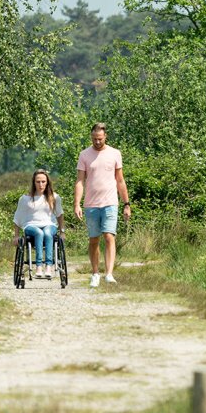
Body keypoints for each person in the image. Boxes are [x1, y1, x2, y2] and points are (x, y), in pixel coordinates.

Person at [74, 122, 131, 288]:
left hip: (110, 202)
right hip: (91, 204)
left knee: (109, 236)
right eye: (94, 139)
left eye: (99, 139)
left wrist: (126, 203)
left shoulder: (115, 153)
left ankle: (109, 274)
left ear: (105, 136)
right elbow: (80, 181)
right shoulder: (84, 155)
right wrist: (77, 204)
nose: (97, 142)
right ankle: (95, 273)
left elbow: (120, 180)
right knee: (93, 240)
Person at [13, 169, 65, 279]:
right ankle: (39, 266)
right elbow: (17, 217)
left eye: (43, 181)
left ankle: (49, 266)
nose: (41, 184)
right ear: (34, 183)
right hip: (31, 225)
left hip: (49, 225)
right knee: (38, 233)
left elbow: (60, 215)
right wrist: (16, 235)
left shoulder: (54, 197)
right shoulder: (25, 199)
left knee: (46, 233)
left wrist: (62, 232)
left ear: (47, 182)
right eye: (38, 182)